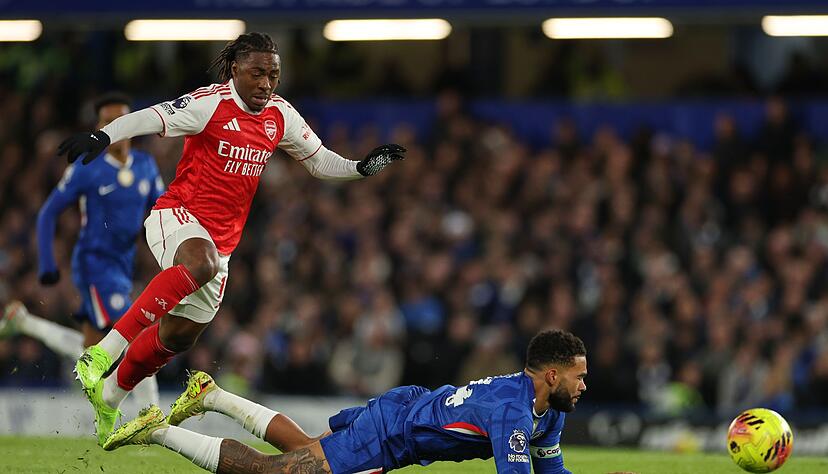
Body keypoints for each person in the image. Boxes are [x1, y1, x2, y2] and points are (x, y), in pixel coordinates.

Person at [56, 32, 406, 446]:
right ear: (235, 69)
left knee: (178, 336)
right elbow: (151, 117)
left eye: (273, 74)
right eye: (258, 73)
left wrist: (361, 167)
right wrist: (103, 136)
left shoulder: (280, 115)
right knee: (199, 263)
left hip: (221, 246)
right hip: (176, 216)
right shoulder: (211, 104)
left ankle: (111, 394)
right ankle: (101, 353)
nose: (266, 83)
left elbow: (319, 161)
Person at [104, 329, 587, 474]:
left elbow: (552, 472)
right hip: (393, 434)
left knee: (305, 450)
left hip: (406, 411)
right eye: (578, 376)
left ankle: (213, 396)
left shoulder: (548, 412)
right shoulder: (514, 412)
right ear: (551, 374)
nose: (584, 386)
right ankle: (156, 428)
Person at [0, 92, 163, 408]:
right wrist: (47, 263)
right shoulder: (87, 167)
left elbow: (162, 206)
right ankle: (152, 413)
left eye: (122, 120)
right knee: (134, 331)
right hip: (94, 265)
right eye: (108, 121)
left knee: (93, 347)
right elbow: (48, 212)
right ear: (99, 127)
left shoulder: (146, 165)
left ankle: (25, 322)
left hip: (123, 264)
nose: (116, 127)